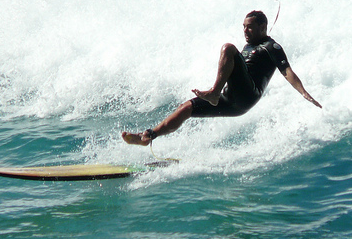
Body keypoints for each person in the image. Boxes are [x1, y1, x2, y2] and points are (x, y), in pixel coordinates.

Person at [122, 10, 322, 146]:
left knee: (228, 48)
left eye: (250, 27)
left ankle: (214, 93)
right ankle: (149, 135)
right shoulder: (248, 46)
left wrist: (303, 92)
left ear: (263, 27)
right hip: (231, 101)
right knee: (186, 108)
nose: (245, 31)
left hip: (247, 95)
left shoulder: (272, 47)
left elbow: (287, 71)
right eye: (243, 26)